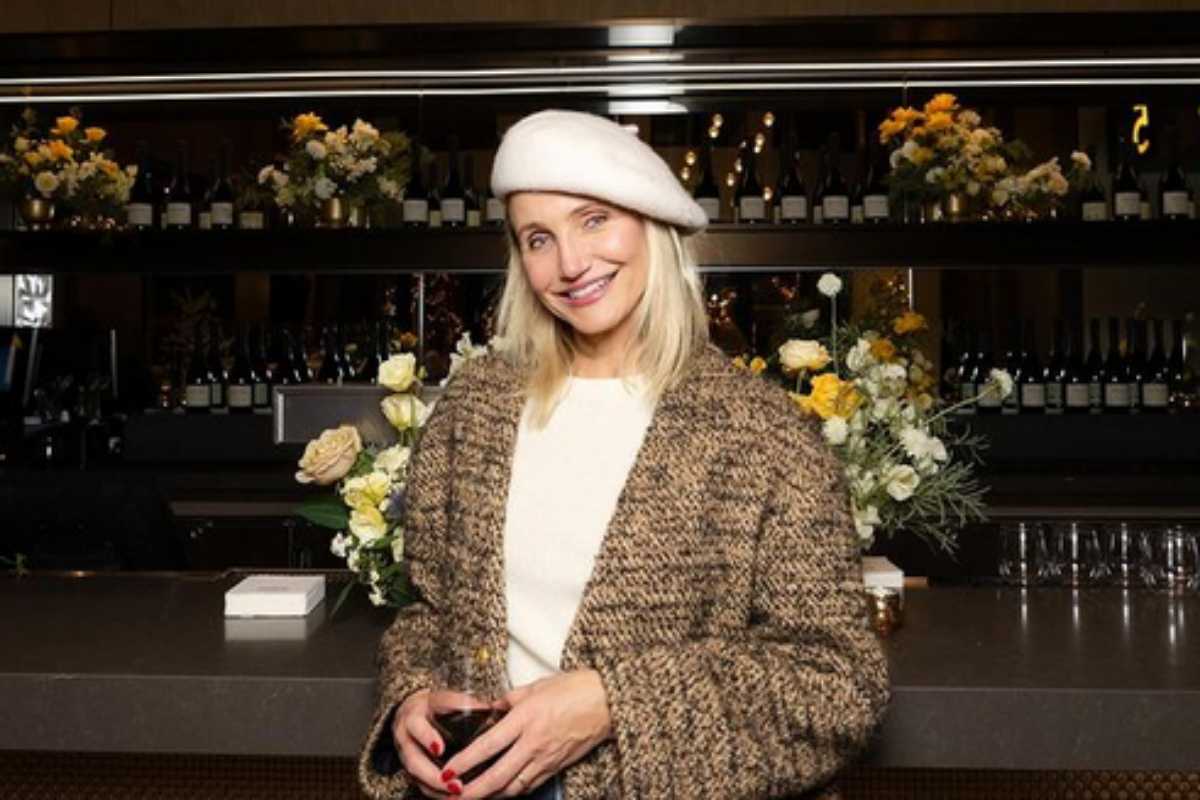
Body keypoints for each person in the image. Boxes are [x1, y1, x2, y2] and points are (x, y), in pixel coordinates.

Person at [358, 109, 889, 800]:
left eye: (594, 221)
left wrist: (615, 702)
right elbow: (429, 612)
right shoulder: (476, 406)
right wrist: (410, 699)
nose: (570, 263)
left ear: (650, 223)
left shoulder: (763, 434)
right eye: (539, 238)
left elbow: (840, 682)